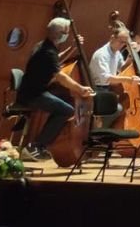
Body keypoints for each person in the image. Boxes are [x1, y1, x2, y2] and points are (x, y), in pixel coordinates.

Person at [14, 17, 95, 161]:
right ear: (59, 33)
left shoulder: (43, 46)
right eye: (66, 32)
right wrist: (80, 88)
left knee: (63, 108)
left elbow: (56, 60)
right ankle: (36, 146)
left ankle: (39, 145)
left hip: (30, 91)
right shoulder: (48, 52)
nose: (67, 35)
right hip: (33, 95)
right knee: (67, 110)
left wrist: (73, 48)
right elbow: (61, 77)